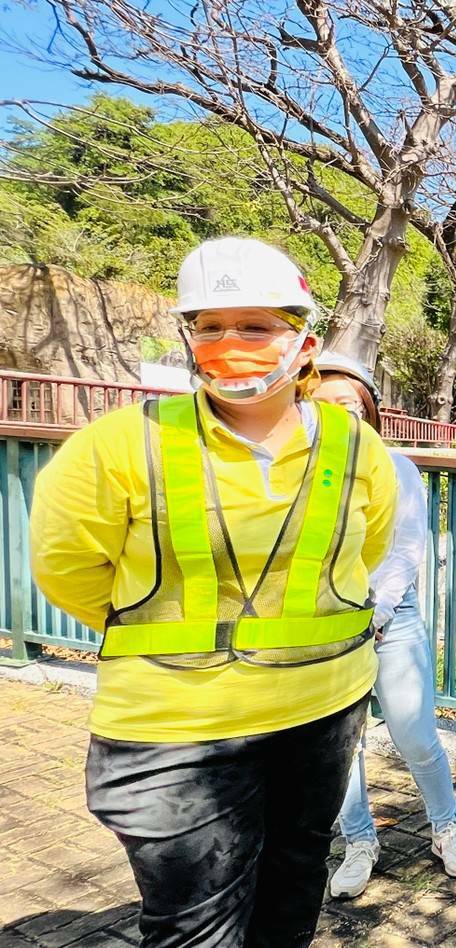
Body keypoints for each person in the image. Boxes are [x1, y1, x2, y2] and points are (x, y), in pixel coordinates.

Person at [29, 238, 400, 948]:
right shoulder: (117, 445)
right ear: (188, 339)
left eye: (255, 327)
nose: (231, 343)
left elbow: (364, 555)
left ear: (304, 341)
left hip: (322, 711)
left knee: (291, 895)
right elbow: (68, 569)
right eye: (210, 326)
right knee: (196, 928)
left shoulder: (357, 448)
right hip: (175, 727)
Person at [312, 353, 456, 897]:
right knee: (342, 746)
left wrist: (376, 615)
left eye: (352, 404)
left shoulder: (396, 467)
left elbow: (405, 550)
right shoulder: (297, 472)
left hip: (390, 618)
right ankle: (359, 841)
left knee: (416, 734)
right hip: (319, 626)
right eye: (326, 403)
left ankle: (445, 827)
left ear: (369, 411)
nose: (341, 413)